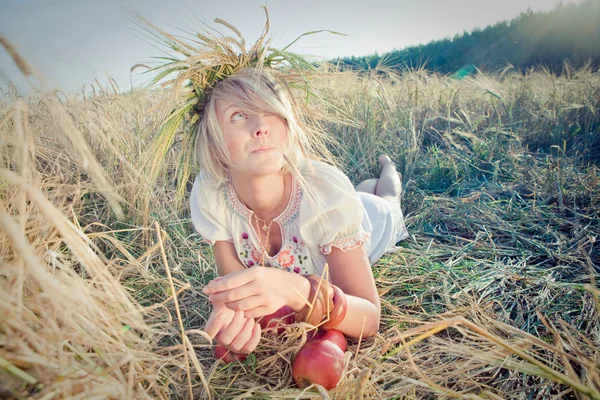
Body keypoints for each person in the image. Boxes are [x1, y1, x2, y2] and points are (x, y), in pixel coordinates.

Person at [189, 68, 408, 356]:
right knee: (363, 191)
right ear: (213, 140)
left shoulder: (327, 195)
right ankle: (368, 185)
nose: (260, 127)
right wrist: (229, 311)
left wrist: (298, 290)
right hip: (341, 205)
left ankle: (388, 166)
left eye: (270, 110)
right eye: (239, 115)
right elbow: (235, 291)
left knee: (387, 198)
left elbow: (369, 318)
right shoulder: (212, 192)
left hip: (372, 221)